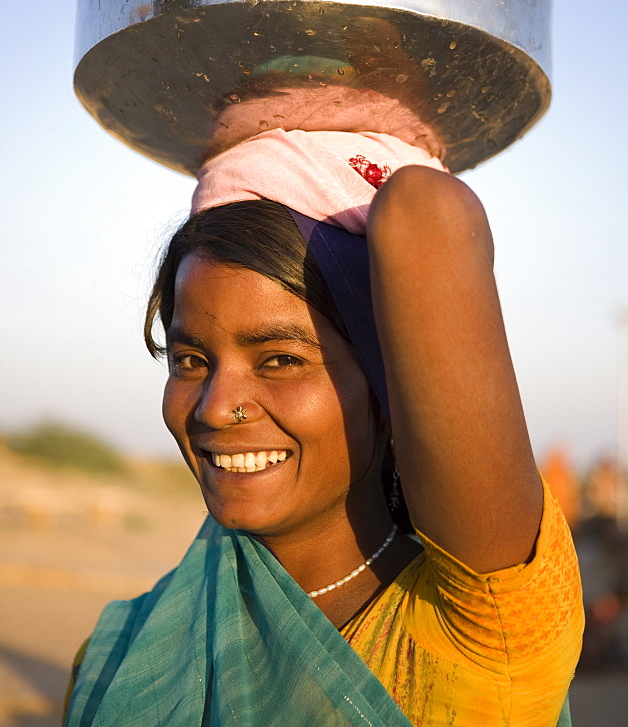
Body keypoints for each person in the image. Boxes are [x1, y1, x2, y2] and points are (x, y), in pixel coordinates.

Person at [63, 130, 583, 727]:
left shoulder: (478, 629)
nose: (214, 407)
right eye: (190, 361)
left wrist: (306, 141)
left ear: (388, 392)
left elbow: (425, 210)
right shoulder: (116, 655)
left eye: (280, 360)